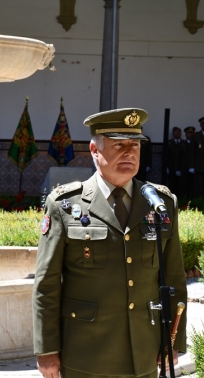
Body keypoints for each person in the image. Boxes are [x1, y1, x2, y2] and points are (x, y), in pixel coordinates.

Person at [33, 108, 187, 378]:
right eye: (119, 145)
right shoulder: (66, 205)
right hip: (85, 354)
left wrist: (172, 341)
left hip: (144, 352)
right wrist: (46, 350)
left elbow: (174, 278)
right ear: (94, 149)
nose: (129, 152)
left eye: (135, 145)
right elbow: (46, 285)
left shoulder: (161, 203)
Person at [166, 127, 186, 198]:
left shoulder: (184, 143)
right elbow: (166, 156)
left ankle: (181, 200)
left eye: (179, 132)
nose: (178, 133)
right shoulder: (169, 143)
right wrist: (166, 167)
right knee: (172, 185)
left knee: (181, 186)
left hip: (182, 168)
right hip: (171, 168)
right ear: (173, 133)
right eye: (176, 132)